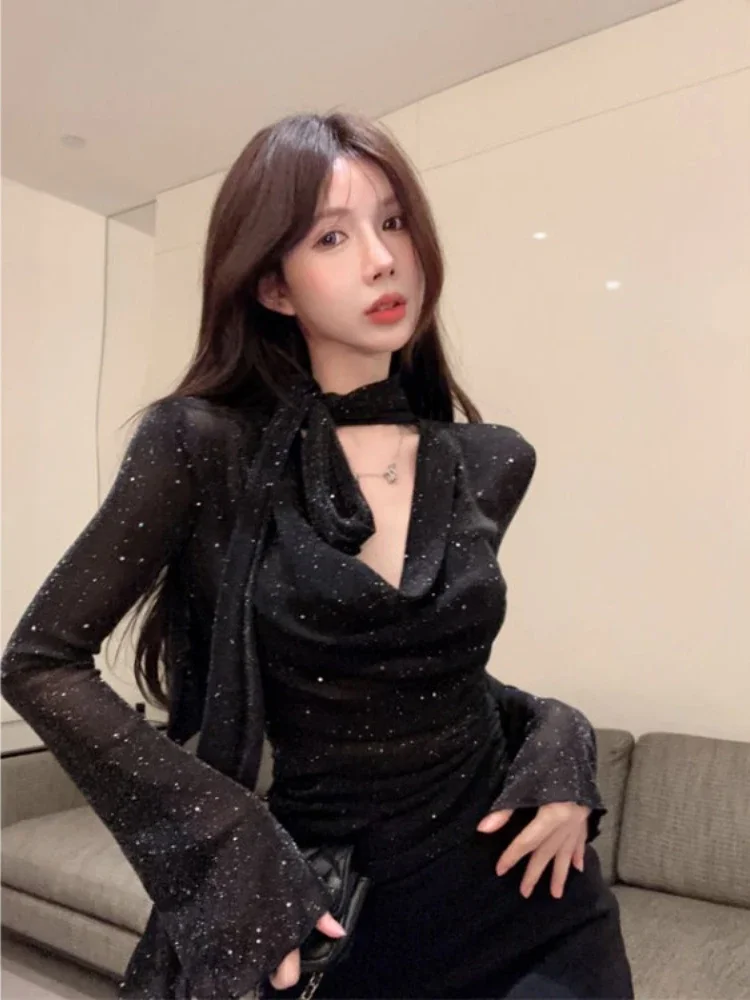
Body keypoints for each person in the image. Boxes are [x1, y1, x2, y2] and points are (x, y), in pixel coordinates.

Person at [0, 111, 633, 1000]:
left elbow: (425, 679)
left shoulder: (491, 460)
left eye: (394, 222)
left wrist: (562, 740)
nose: (381, 259)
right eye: (332, 237)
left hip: (532, 907)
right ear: (274, 287)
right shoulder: (203, 446)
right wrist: (232, 844)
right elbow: (40, 661)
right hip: (339, 916)